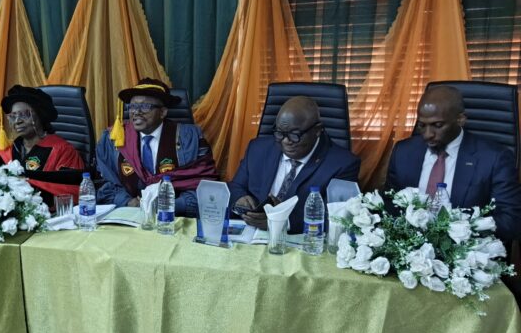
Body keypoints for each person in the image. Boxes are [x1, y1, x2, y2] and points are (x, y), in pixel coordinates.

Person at [386, 85, 521, 242]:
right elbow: (390, 204)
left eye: (437, 125)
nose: (427, 135)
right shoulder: (403, 152)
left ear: (460, 120)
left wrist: (461, 230)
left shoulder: (494, 158)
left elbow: (511, 219)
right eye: (422, 125)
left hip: (465, 248)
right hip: (408, 247)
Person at [229, 96, 361, 232]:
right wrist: (239, 199)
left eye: (295, 134)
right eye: (280, 133)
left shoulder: (343, 164)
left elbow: (339, 219)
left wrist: (284, 222)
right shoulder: (258, 148)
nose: (286, 141)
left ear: (317, 130)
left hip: (300, 239)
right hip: (251, 234)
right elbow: (236, 186)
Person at [96, 78, 218, 217]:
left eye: (145, 106)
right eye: (133, 106)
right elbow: (103, 182)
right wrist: (128, 202)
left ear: (162, 112)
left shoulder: (190, 138)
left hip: (174, 218)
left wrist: (172, 205)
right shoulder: (114, 139)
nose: (136, 112)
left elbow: (206, 184)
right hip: (128, 216)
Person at [0, 85, 85, 206]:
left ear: (40, 116)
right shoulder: (8, 151)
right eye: (13, 116)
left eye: (24, 114)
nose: (17, 121)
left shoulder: (62, 151)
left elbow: (75, 191)